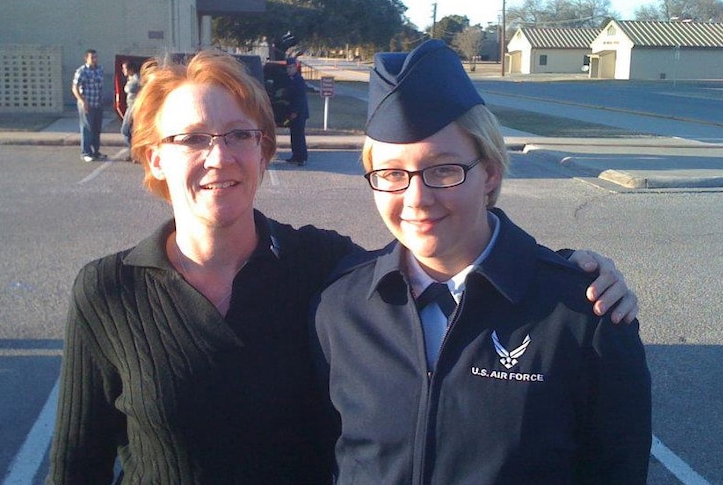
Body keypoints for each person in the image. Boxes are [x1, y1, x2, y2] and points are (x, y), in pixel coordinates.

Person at [47, 49, 638, 484]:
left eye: (238, 135)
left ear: (262, 149)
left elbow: (448, 265)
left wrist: (570, 275)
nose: (218, 156)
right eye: (192, 139)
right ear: (154, 156)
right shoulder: (109, 292)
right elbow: (77, 465)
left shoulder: (322, 271)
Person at [311, 40, 652, 484]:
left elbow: (616, 471)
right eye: (392, 174)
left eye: (443, 170)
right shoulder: (341, 307)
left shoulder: (583, 315)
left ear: (490, 171)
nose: (416, 199)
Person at [72, 48, 107, 163]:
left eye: (96, 57)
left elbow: (100, 87)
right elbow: (75, 88)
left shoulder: (100, 70)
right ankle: (86, 152)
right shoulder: (81, 71)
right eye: (92, 58)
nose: (94, 60)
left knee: (97, 129)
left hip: (98, 104)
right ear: (86, 58)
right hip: (87, 104)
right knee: (87, 128)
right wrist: (83, 101)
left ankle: (95, 152)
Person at [283, 57, 309, 166]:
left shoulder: (299, 80)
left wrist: (295, 112)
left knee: (299, 135)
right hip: (293, 113)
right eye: (287, 68)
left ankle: (302, 157)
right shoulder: (290, 79)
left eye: (290, 68)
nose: (288, 70)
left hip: (299, 113)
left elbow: (299, 98)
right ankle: (295, 155)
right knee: (294, 135)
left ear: (295, 67)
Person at [120, 60, 140, 162]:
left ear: (131, 69)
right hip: (131, 106)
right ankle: (133, 153)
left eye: (125, 68)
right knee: (131, 131)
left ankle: (135, 153)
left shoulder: (136, 79)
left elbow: (129, 89)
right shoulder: (131, 78)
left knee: (126, 130)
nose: (123, 70)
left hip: (134, 106)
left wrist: (127, 85)